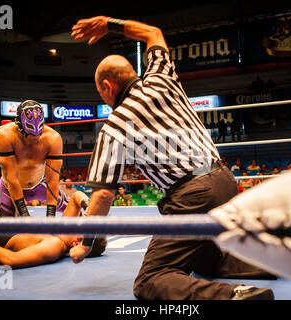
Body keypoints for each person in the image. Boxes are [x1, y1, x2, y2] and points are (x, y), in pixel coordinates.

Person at [70, 16, 274, 300]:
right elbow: (153, 32)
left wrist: (87, 244)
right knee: (206, 261)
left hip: (193, 196)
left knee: (150, 281)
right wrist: (108, 23)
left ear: (107, 87)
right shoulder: (161, 77)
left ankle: (235, 297)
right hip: (226, 182)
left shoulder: (115, 125)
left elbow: (102, 195)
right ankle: (289, 261)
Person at [0, 178, 103, 281]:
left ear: (77, 244)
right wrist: (88, 209)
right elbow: (75, 197)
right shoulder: (64, 229)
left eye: (85, 228)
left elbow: (11, 260)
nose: (80, 221)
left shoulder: (55, 245)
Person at [0, 100, 67, 221]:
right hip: (10, 187)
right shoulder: (4, 136)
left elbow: (52, 179)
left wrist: (51, 218)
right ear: (18, 125)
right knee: (5, 234)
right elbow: (11, 178)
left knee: (75, 211)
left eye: (38, 135)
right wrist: (24, 214)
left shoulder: (52, 138)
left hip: (40, 184)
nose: (35, 139)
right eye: (30, 134)